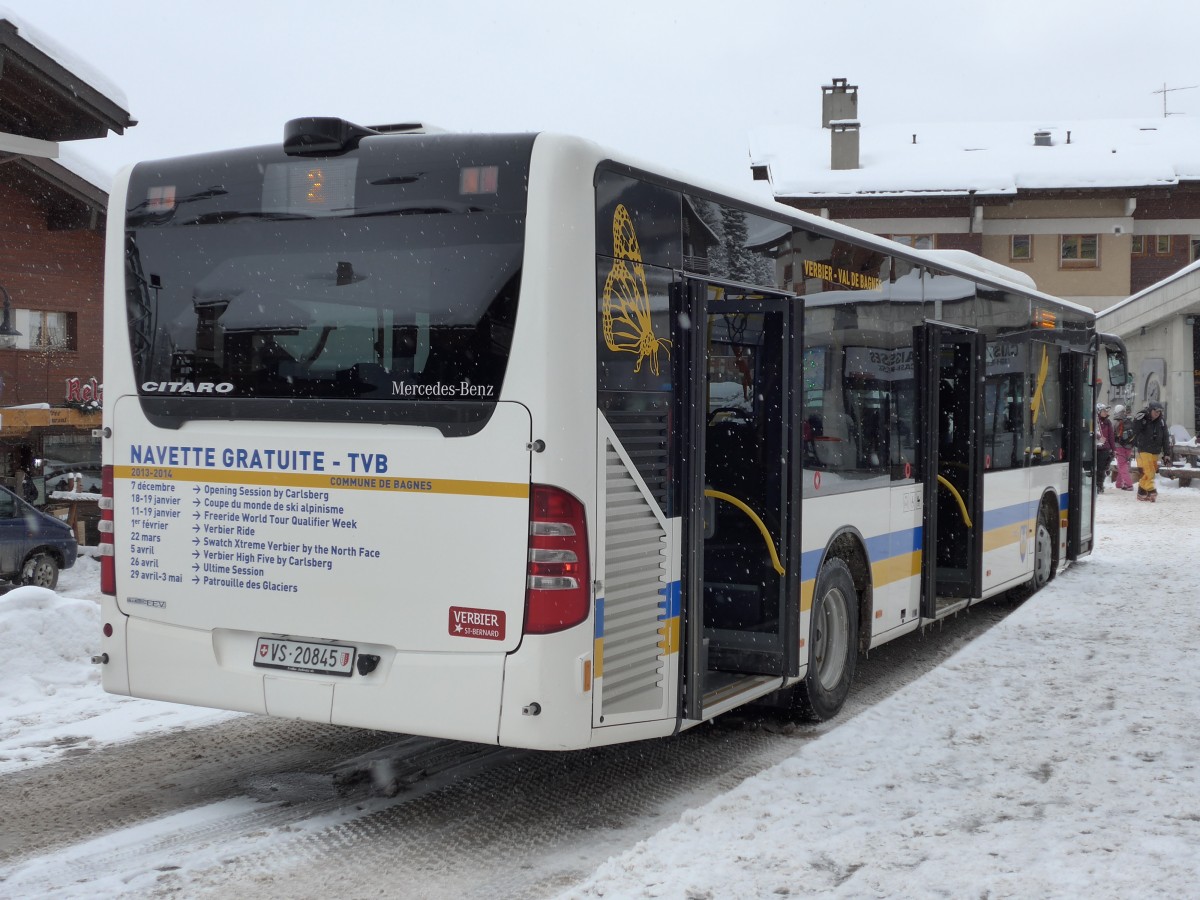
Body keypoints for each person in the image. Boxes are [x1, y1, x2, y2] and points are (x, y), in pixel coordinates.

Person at [1130, 400, 1171, 502]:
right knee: (1149, 470)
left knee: (1151, 471)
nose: (1157, 414)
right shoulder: (1143, 418)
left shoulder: (1161, 422)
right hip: (1144, 449)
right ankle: (1151, 489)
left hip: (1155, 451)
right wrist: (1137, 419)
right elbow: (1134, 430)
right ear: (1150, 410)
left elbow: (1165, 437)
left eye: (1159, 412)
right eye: (1155, 411)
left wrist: (1167, 454)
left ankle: (1141, 491)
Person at [1111, 404, 1135, 490]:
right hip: (1129, 446)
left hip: (1119, 446)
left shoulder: (1115, 422)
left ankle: (1129, 484)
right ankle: (1118, 483)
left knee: (1122, 465)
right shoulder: (1129, 421)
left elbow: (1111, 436)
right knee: (1124, 464)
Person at [1095, 403, 1114, 494]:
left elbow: (1111, 436)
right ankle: (1096, 485)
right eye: (1103, 411)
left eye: (1106, 411)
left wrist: (1113, 449)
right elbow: (1091, 432)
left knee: (1102, 468)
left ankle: (1100, 485)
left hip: (1105, 449)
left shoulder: (1108, 422)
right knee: (1096, 468)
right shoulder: (1094, 421)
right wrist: (1098, 437)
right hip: (1096, 448)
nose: (1106, 412)